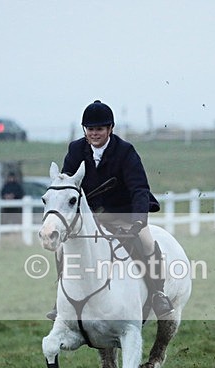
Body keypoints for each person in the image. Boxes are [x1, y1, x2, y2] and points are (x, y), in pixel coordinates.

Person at [47, 99, 173, 320]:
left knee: (146, 241)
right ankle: (61, 302)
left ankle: (157, 293)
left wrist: (138, 221)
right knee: (61, 249)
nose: (94, 134)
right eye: (90, 129)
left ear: (110, 129)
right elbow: (67, 186)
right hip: (90, 217)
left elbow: (139, 189)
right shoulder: (76, 149)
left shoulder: (125, 152)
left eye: (99, 129)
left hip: (122, 213)